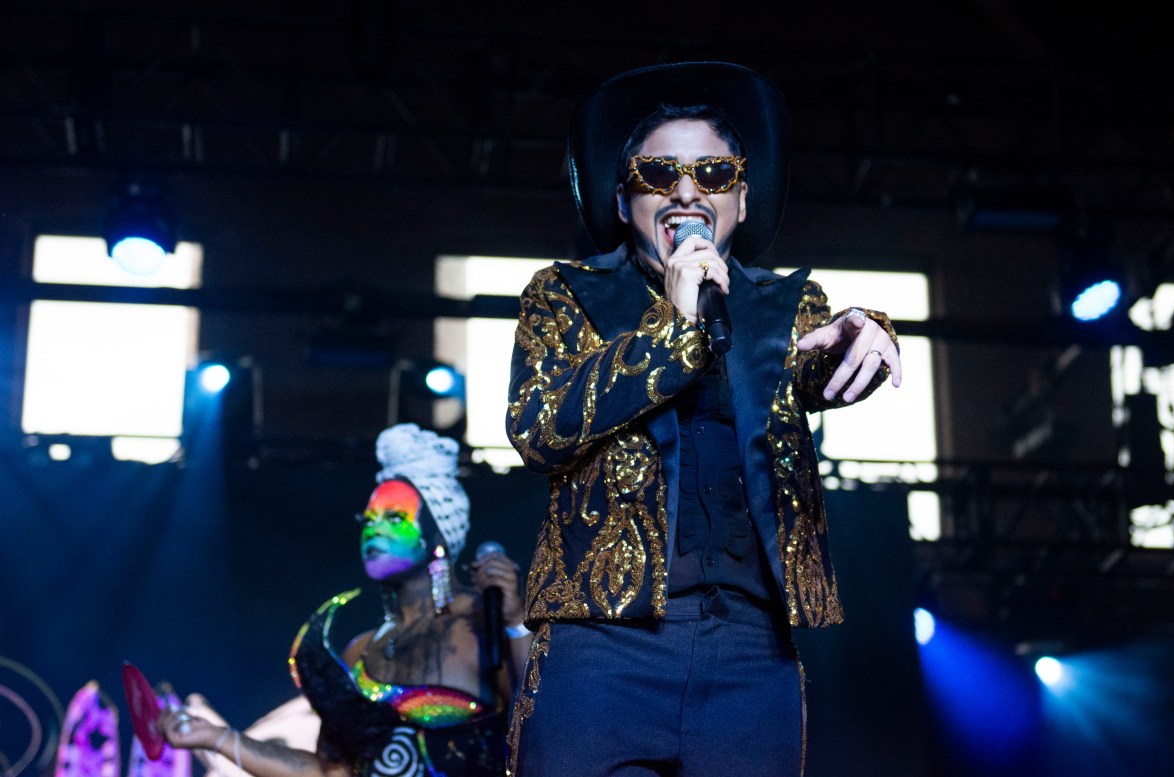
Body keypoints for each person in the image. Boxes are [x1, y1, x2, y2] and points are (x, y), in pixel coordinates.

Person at [505, 62, 903, 776]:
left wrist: (868, 335)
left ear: (741, 201)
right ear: (625, 198)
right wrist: (672, 328)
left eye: (714, 173)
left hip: (750, 651)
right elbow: (537, 426)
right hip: (603, 644)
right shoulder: (564, 294)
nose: (687, 190)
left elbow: (821, 369)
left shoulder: (787, 307)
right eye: (660, 171)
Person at [157, 423, 531, 777]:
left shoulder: (482, 621)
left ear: (437, 535)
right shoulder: (360, 652)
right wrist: (216, 738)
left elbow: (542, 723)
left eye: (393, 517)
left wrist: (515, 623)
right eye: (368, 519)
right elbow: (328, 770)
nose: (374, 529)